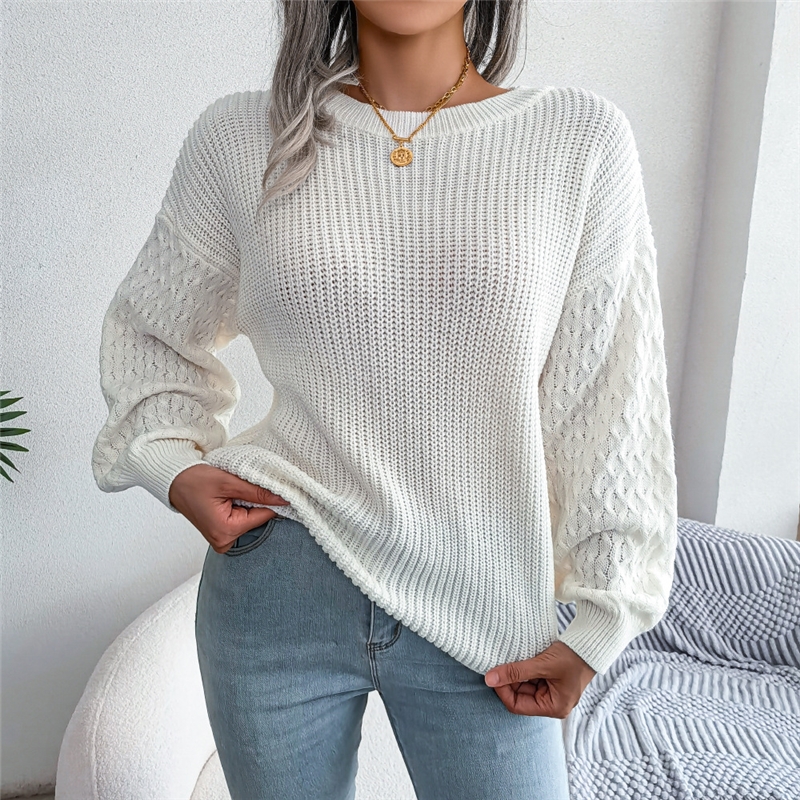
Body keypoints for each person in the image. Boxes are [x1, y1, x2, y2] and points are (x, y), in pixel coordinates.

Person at [91, 1, 678, 798]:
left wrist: (603, 622)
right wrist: (172, 467)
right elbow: (151, 334)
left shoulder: (579, 141)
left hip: (485, 607)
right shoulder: (238, 139)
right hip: (278, 583)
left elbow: (609, 401)